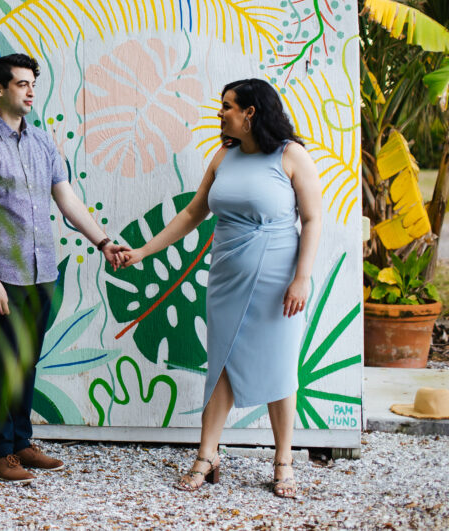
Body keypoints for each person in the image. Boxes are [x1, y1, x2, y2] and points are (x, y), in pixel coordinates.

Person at [120, 78, 321, 499]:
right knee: (222, 363)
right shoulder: (224, 156)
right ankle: (208, 455)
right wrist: (142, 252)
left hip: (278, 280)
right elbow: (194, 212)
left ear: (250, 112)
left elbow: (313, 220)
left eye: (227, 106)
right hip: (227, 277)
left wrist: (301, 277)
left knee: (279, 366)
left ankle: (283, 460)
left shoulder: (291, 155)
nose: (221, 113)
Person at [0, 53, 128, 484]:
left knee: (27, 361)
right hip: (6, 276)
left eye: (34, 83)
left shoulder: (42, 143)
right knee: (3, 363)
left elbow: (66, 200)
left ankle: (20, 442)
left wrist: (103, 242)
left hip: (41, 271)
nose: (31, 91)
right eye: (22, 84)